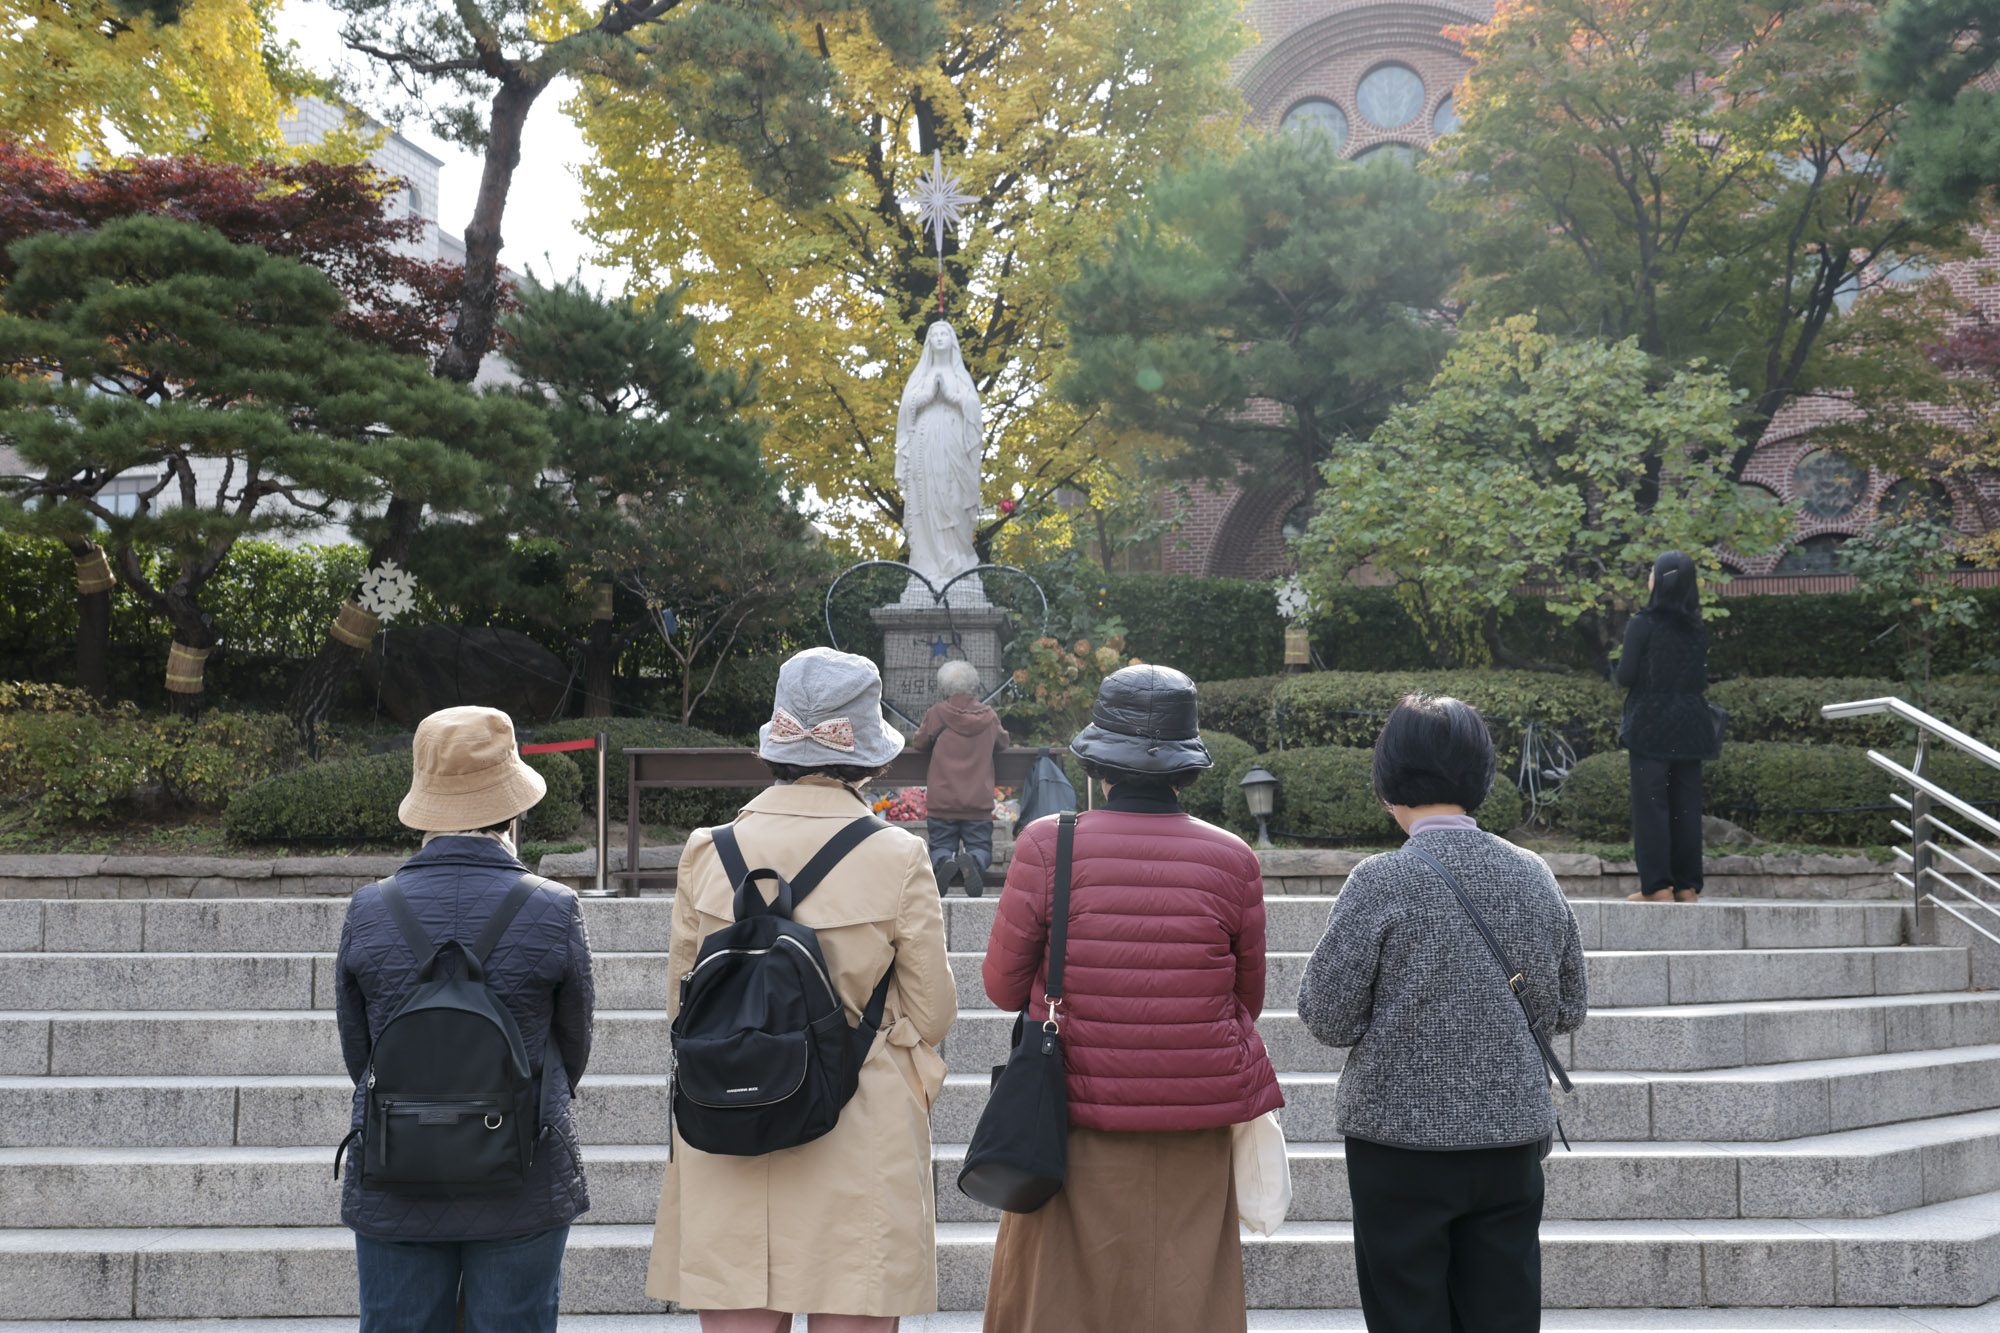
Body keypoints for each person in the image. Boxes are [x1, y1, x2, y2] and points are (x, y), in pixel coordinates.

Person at [646, 646, 958, 1332]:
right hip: (855, 1115)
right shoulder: (897, 854)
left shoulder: (708, 848)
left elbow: (681, 1002)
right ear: (866, 752)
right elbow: (934, 1010)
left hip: (726, 1113)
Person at [980, 663, 1282, 1333]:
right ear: (1186, 770)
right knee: (1185, 1302)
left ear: (1099, 767)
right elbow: (1247, 999)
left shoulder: (1047, 842)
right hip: (1195, 1122)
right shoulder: (1233, 858)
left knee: (1060, 1305)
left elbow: (1002, 986)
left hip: (1070, 1120)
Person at [1297, 694, 1587, 1333]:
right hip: (1510, 1132)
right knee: (1504, 1311)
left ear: (1388, 780)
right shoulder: (1533, 873)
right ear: (1481, 775)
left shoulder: (1380, 881)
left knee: (1407, 1312)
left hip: (1398, 1141)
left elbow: (1328, 1017)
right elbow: (1569, 1004)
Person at [334, 705, 596, 1333]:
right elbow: (575, 1039)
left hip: (397, 1170)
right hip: (523, 1169)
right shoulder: (555, 908)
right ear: (514, 810)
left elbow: (358, 1050)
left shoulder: (369, 909)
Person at [1616, 550, 1713, 903]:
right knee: (1686, 806)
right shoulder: (1697, 628)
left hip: (1651, 725)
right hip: (1692, 725)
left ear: (1659, 579)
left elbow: (1625, 676)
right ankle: (1687, 886)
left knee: (1652, 805)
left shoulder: (1642, 624)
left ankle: (1657, 886)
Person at [911, 657, 1010, 896]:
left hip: (942, 802)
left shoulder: (936, 714)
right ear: (974, 685)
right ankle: (973, 861)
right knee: (981, 846)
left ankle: (944, 860)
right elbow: (1003, 742)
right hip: (978, 802)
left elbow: (918, 743)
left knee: (940, 845)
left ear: (944, 687)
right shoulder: (988, 716)